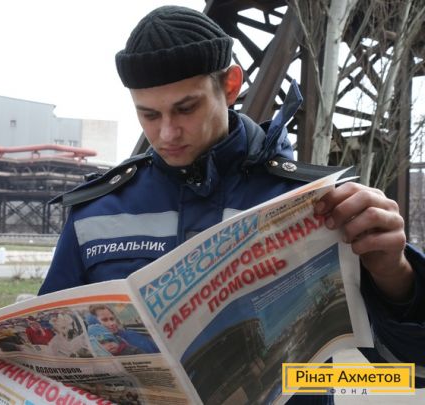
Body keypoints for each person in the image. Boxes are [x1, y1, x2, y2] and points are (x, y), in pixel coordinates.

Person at [38, 4, 424, 397]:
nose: (167, 133)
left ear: (230, 85)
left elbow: (406, 374)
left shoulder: (315, 204)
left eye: (185, 108)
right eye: (149, 115)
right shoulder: (94, 214)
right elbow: (45, 364)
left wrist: (395, 275)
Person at [89, 304, 159, 354]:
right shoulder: (93, 345)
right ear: (95, 324)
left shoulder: (131, 335)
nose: (112, 323)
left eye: (112, 319)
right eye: (105, 320)